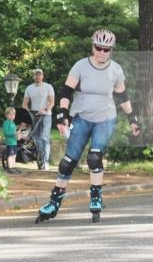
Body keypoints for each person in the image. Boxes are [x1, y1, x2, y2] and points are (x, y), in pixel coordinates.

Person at [35, 29, 141, 224]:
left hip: (105, 118)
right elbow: (66, 91)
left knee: (94, 157)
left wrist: (132, 118)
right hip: (81, 117)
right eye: (97, 47)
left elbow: (122, 96)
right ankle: (54, 203)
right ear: (92, 46)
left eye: (106, 49)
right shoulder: (81, 66)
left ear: (111, 50)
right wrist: (62, 115)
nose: (101, 52)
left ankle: (96, 198)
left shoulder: (116, 70)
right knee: (67, 162)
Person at [22, 68, 55, 170]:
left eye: (39, 74)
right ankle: (41, 159)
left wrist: (45, 109)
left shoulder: (48, 87)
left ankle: (46, 161)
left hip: (46, 115)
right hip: (34, 115)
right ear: (33, 76)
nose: (38, 76)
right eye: (36, 74)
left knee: (44, 137)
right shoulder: (29, 88)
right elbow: (25, 103)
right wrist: (27, 111)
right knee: (36, 138)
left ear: (42, 76)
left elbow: (51, 101)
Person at [2, 107, 20, 173]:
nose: (12, 116)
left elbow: (15, 133)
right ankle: (9, 167)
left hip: (14, 142)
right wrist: (14, 133)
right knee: (10, 155)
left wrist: (18, 135)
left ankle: (13, 167)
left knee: (14, 155)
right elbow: (6, 133)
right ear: (6, 115)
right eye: (10, 115)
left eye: (13, 115)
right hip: (9, 142)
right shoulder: (6, 123)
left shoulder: (13, 123)